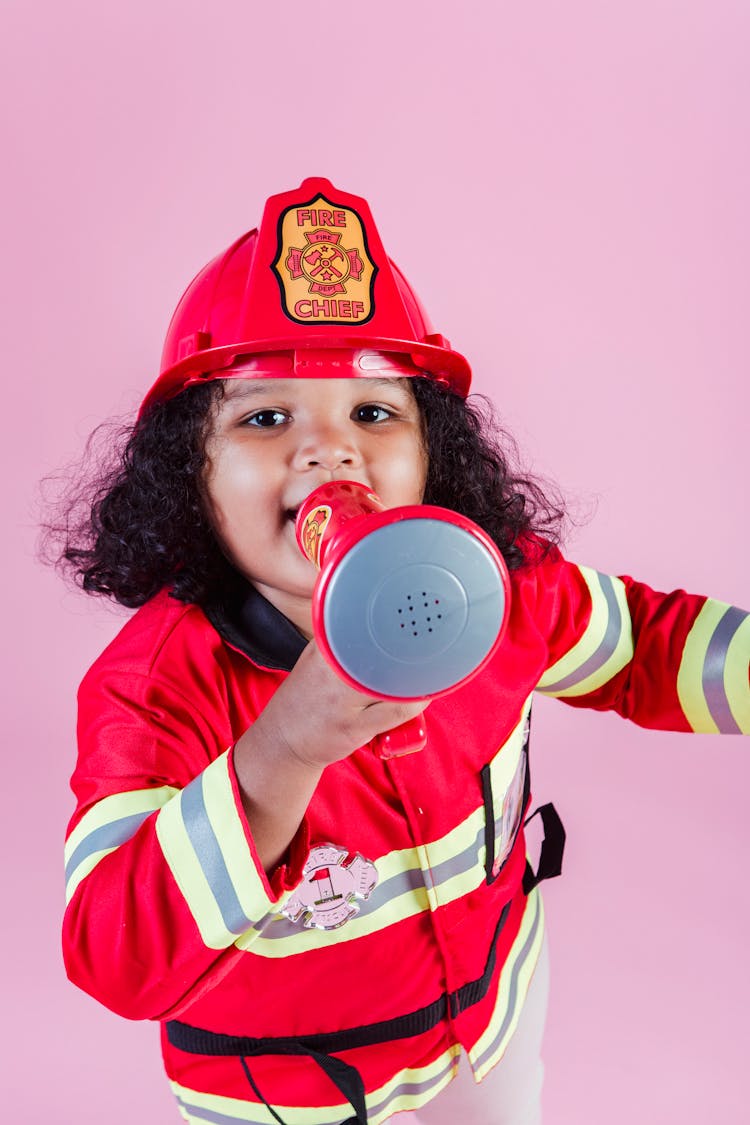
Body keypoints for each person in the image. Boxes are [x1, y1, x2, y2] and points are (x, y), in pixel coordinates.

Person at [55, 178, 749, 1125]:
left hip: (490, 1017)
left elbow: (648, 649)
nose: (330, 451)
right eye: (266, 417)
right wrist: (281, 752)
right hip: (284, 1090)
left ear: (435, 453)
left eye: (374, 413)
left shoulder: (497, 589)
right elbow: (115, 953)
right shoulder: (152, 688)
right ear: (191, 475)